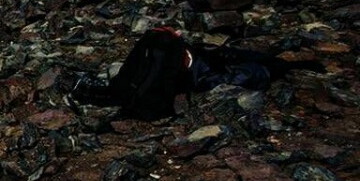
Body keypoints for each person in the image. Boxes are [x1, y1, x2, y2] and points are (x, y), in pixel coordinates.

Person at [70, 27, 325, 120]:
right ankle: (109, 92)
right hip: (205, 65)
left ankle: (108, 93)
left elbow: (234, 73)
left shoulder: (249, 70)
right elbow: (240, 70)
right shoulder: (214, 70)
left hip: (193, 68)